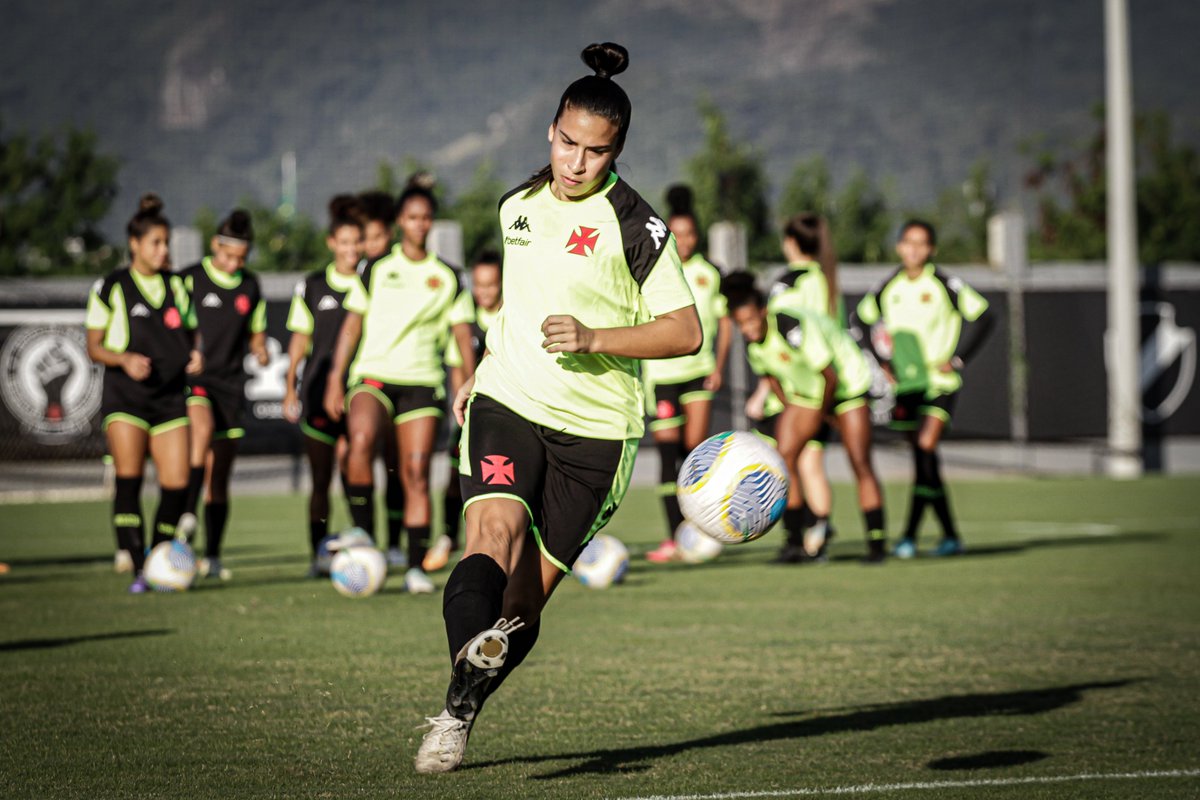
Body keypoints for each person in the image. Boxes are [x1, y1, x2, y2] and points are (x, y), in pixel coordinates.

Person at [413, 42, 700, 774]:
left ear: (617, 152)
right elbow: (518, 301)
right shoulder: (516, 206)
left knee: (522, 607)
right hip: (510, 397)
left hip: (598, 433)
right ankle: (458, 697)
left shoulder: (637, 226)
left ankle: (459, 705)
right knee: (492, 530)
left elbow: (685, 331)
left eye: (595, 152)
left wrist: (597, 337)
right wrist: (483, 368)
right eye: (568, 142)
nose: (576, 162)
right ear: (550, 130)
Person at [324, 177, 477, 594]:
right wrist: (336, 378)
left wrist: (471, 386)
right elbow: (351, 326)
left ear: (431, 222)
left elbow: (463, 336)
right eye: (411, 217)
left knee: (416, 473)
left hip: (422, 384)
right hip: (373, 377)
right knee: (360, 439)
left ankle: (414, 567)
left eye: (425, 218)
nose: (419, 224)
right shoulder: (375, 268)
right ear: (400, 222)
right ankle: (362, 530)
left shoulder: (448, 276)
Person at [723, 272, 887, 563]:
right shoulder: (753, 344)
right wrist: (792, 407)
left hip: (846, 385)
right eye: (741, 325)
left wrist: (822, 416)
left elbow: (830, 376)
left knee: (859, 461)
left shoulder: (790, 327)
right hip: (810, 393)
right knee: (783, 460)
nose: (747, 329)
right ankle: (794, 543)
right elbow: (772, 378)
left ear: (763, 312)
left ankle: (876, 545)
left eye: (750, 321)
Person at [851, 220, 993, 558]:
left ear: (931, 249)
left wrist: (958, 358)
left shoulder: (943, 283)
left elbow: (985, 316)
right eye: (908, 242)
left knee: (925, 446)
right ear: (899, 246)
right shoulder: (890, 285)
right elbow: (860, 319)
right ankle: (948, 537)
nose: (914, 249)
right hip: (908, 386)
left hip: (939, 383)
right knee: (923, 459)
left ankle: (910, 536)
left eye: (921, 243)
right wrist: (883, 362)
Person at [85, 194, 203, 593]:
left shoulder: (176, 285)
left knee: (177, 484)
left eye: (166, 242)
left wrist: (196, 354)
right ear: (134, 244)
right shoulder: (112, 286)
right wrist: (123, 359)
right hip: (127, 398)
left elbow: (191, 333)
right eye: (156, 242)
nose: (163, 250)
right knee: (129, 479)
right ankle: (139, 567)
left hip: (170, 398)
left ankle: (159, 558)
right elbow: (94, 346)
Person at [177, 209, 269, 581]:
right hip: (196, 379)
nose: (234, 264)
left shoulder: (250, 285)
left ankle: (212, 556)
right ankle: (186, 515)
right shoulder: (189, 279)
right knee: (200, 432)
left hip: (231, 385)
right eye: (229, 255)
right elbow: (171, 323)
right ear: (215, 245)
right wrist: (186, 351)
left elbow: (256, 331)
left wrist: (260, 348)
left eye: (241, 258)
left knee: (219, 477)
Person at [642, 185, 731, 563]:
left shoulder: (711, 273)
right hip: (662, 375)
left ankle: (699, 530)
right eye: (677, 234)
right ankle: (673, 537)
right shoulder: (654, 269)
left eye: (690, 233)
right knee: (667, 455)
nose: (684, 241)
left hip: (698, 372)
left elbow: (724, 321)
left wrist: (719, 367)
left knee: (694, 452)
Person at [283, 195, 364, 573]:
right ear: (332, 243)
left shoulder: (372, 281)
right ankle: (317, 552)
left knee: (353, 469)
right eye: (344, 242)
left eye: (356, 242)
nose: (351, 249)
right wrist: (289, 386)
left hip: (358, 392)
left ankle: (365, 543)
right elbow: (300, 339)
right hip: (318, 393)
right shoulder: (313, 285)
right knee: (320, 479)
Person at [764, 213, 841, 562]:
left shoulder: (789, 282)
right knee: (809, 464)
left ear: (791, 242)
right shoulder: (825, 280)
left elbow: (784, 337)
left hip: (800, 389)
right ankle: (815, 534)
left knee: (791, 464)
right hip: (820, 384)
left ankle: (800, 537)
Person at [424, 249, 504, 573]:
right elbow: (459, 371)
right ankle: (447, 536)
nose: (484, 291)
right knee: (455, 477)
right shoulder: (465, 321)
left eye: (491, 284)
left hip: (507, 414)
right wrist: (470, 410)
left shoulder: (511, 316)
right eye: (479, 285)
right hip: (472, 414)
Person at [357, 189, 409, 565]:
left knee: (398, 466)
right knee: (356, 451)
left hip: (405, 380)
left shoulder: (400, 268)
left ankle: (393, 544)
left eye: (376, 236)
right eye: (365, 237)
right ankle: (363, 537)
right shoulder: (366, 273)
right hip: (365, 381)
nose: (370, 244)